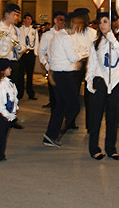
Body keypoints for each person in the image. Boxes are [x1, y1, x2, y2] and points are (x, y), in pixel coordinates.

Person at [86, 12, 119, 160]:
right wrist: (89, 80)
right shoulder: (96, 42)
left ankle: (111, 148)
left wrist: (113, 40)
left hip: (116, 81)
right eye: (100, 22)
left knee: (113, 117)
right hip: (100, 81)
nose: (102, 24)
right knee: (95, 117)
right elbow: (91, 64)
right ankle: (94, 148)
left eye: (106, 21)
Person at [43, 12, 88, 147]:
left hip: (59, 73)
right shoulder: (65, 38)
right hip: (63, 75)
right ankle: (56, 133)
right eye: (78, 26)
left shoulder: (58, 36)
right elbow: (73, 57)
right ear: (72, 25)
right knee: (74, 106)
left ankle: (50, 136)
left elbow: (53, 57)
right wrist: (86, 53)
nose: (78, 29)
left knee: (61, 106)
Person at [0, 4, 25, 129]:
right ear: (7, 14)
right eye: (15, 14)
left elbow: (19, 46)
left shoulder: (14, 30)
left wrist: (19, 46)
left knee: (11, 91)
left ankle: (10, 117)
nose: (17, 17)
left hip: (11, 61)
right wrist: (1, 43)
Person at [69, 8, 97, 130]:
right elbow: (71, 48)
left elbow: (95, 50)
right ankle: (70, 121)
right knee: (73, 94)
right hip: (76, 64)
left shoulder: (92, 32)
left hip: (90, 65)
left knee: (90, 95)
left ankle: (90, 124)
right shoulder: (72, 32)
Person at [39, 11, 65, 109]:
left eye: (63, 20)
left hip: (64, 69)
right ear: (55, 21)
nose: (62, 22)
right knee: (54, 94)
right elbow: (41, 52)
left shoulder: (67, 34)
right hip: (52, 67)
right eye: (60, 19)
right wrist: (47, 66)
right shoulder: (47, 35)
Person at [18, 13, 39, 100]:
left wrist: (35, 53)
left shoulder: (34, 30)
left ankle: (30, 93)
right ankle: (20, 93)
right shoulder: (19, 30)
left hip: (30, 53)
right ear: (24, 20)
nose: (29, 21)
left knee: (30, 74)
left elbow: (36, 42)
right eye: (27, 19)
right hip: (22, 52)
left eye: (30, 19)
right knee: (21, 74)